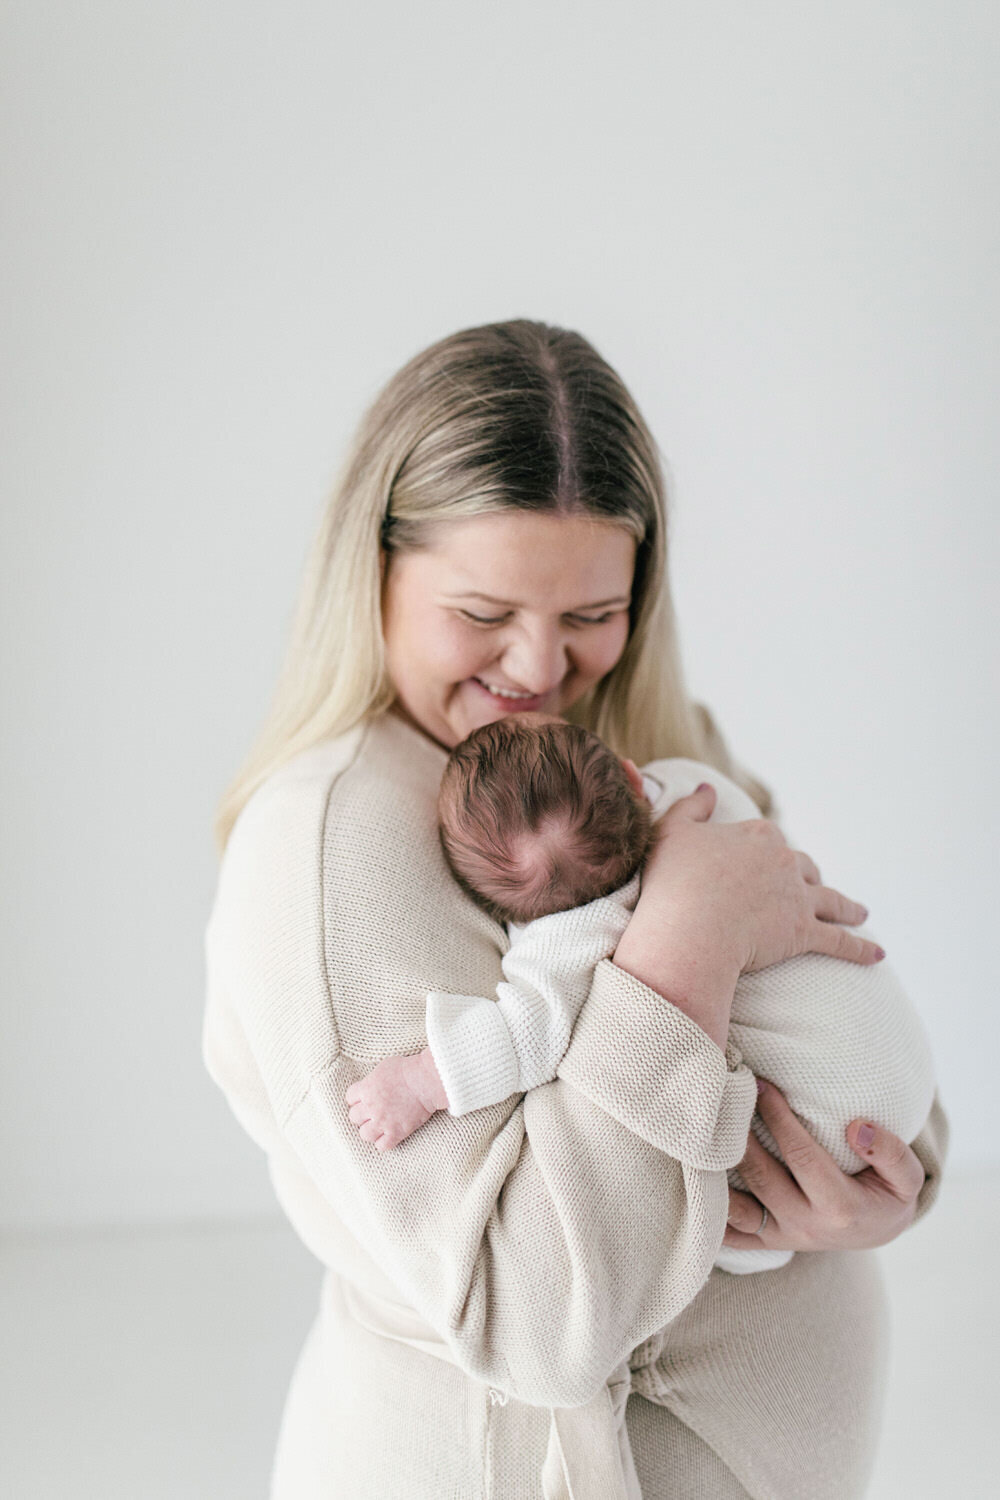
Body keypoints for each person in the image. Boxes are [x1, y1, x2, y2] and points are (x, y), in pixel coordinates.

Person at [202, 318, 949, 1500]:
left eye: (591, 617)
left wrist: (887, 1191)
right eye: (483, 612)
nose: (540, 671)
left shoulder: (651, 754)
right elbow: (535, 1321)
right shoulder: (332, 843)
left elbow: (835, 1001)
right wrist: (685, 941)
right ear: (373, 571)